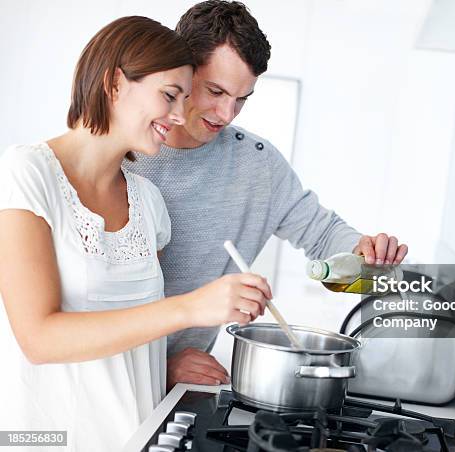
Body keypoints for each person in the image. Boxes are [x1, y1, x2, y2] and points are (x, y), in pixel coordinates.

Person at [0, 16, 270, 451]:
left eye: (185, 98)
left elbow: (131, 335)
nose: (180, 115)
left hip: (142, 437)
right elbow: (39, 339)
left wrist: (163, 364)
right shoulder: (26, 173)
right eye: (169, 96)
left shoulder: (148, 202)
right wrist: (189, 309)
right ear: (114, 83)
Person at [124, 0, 409, 391]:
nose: (226, 114)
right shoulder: (128, 156)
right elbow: (87, 308)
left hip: (186, 384)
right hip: (119, 377)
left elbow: (323, 235)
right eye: (216, 91)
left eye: (242, 99)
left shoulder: (258, 165)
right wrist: (160, 364)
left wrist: (365, 255)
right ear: (182, 71)